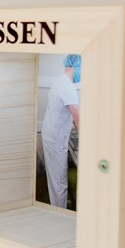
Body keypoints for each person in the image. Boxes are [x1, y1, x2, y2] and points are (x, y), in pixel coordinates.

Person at [41, 54, 81, 208]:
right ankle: (59, 215)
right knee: (59, 184)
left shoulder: (59, 82)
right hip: (55, 140)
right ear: (76, 66)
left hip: (52, 135)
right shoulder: (67, 87)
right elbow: (77, 117)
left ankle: (56, 210)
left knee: (55, 181)